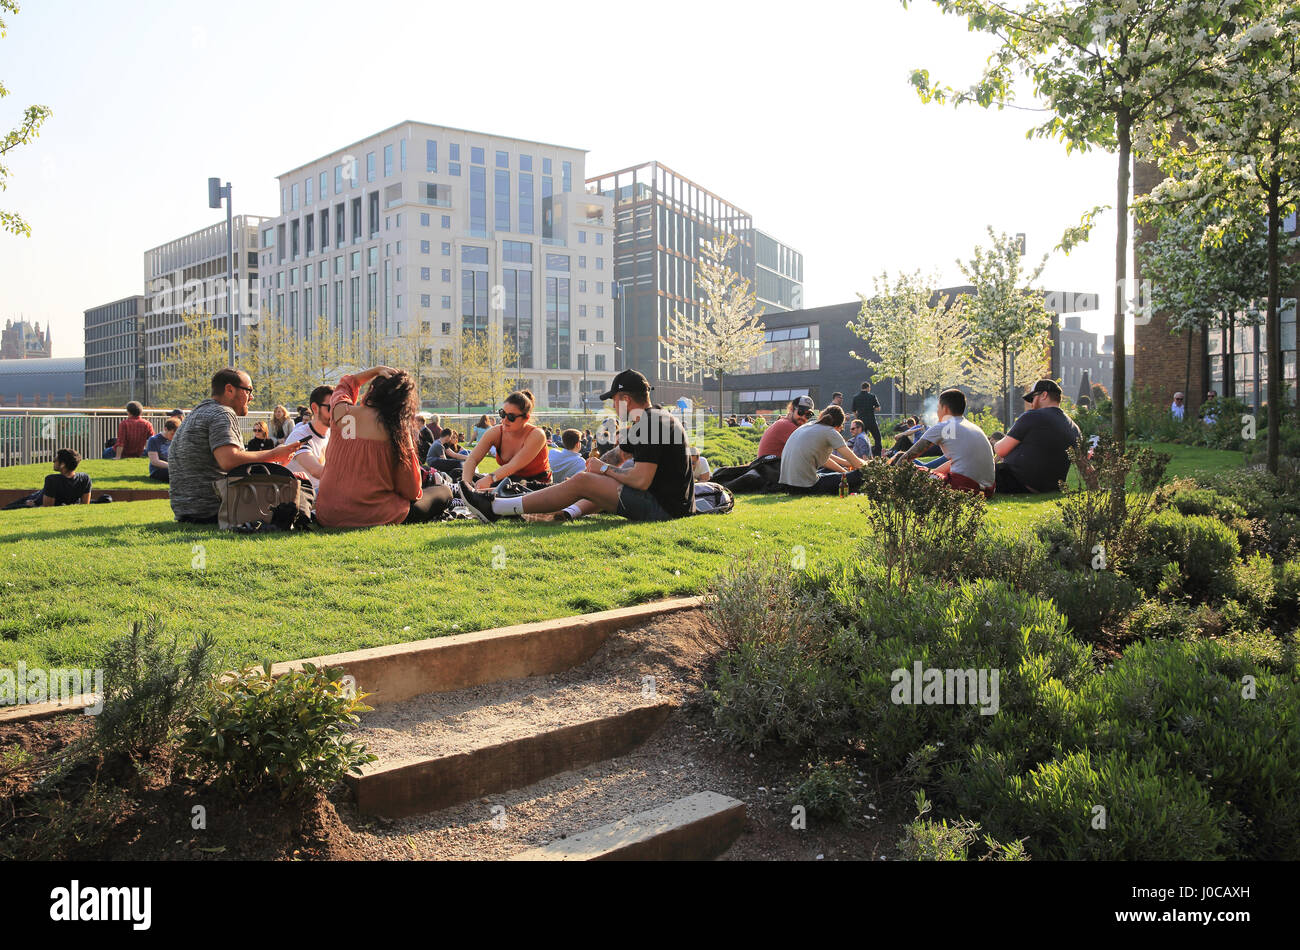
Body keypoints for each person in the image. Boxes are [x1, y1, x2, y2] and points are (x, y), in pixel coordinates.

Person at [460, 369, 694, 524]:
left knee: (587, 481)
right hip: (669, 506)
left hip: (664, 511)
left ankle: (497, 508)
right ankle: (563, 512)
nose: (612, 406)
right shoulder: (653, 419)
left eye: (614, 400)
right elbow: (620, 454)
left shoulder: (649, 424)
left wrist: (602, 470)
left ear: (625, 399)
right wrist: (591, 470)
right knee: (586, 480)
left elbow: (641, 479)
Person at [315, 366, 452, 528]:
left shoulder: (342, 413)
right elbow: (411, 491)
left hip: (328, 513)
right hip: (373, 514)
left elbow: (345, 384)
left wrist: (375, 371)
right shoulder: (396, 432)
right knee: (444, 492)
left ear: (372, 390)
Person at [167, 369, 301, 523]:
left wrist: (273, 462)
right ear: (229, 389)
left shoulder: (197, 412)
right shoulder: (222, 413)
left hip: (188, 511)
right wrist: (274, 454)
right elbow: (229, 460)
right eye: (249, 390)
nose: (251, 397)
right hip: (213, 510)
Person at [889, 388, 995, 498]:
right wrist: (933, 473)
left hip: (962, 486)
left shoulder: (944, 427)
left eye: (938, 408)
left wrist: (892, 482)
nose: (937, 412)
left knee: (904, 462)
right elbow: (958, 461)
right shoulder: (973, 427)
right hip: (987, 490)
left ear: (944, 408)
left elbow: (906, 458)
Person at [992, 379, 1083, 495]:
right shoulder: (1074, 428)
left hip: (1016, 482)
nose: (1031, 403)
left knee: (975, 470)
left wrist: (995, 443)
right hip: (1052, 487)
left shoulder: (1032, 417)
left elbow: (1000, 450)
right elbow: (1083, 464)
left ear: (1044, 395)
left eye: (1033, 398)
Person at [461, 391, 552, 494]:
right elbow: (472, 459)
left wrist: (490, 479)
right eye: (502, 414)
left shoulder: (537, 435)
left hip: (535, 485)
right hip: (510, 480)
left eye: (511, 417)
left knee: (497, 491)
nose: (504, 420)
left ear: (526, 418)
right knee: (459, 474)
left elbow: (513, 465)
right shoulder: (495, 432)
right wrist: (466, 486)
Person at [776, 406, 868, 494]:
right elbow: (858, 464)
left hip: (788, 486)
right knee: (861, 474)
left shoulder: (808, 426)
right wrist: (870, 464)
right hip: (806, 487)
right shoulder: (830, 432)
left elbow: (823, 458)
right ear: (839, 425)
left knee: (830, 471)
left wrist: (844, 468)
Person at [2, 449, 92, 509]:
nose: (53, 461)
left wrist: (34, 506)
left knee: (8, 508)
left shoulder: (52, 480)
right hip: (39, 495)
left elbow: (48, 507)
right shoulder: (85, 478)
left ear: (63, 464)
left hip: (34, 500)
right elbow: (84, 505)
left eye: (56, 460)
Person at [284, 385, 334, 491]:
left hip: (320, 493)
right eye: (331, 407)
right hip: (302, 496)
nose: (335, 413)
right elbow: (316, 471)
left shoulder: (331, 434)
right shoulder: (300, 435)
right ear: (315, 408)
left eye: (338, 407)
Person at [850, 382, 883, 458]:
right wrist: (872, 408)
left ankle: (861, 455)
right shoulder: (872, 396)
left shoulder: (856, 397)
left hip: (861, 422)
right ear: (868, 388)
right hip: (871, 421)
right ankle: (877, 456)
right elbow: (878, 408)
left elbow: (854, 411)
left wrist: (857, 418)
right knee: (877, 438)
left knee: (861, 438)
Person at [145, 417, 179, 482]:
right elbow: (154, 461)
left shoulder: (176, 440)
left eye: (176, 435)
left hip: (174, 468)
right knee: (176, 474)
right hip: (158, 470)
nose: (174, 437)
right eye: (172, 434)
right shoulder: (154, 440)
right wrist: (173, 466)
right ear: (165, 429)